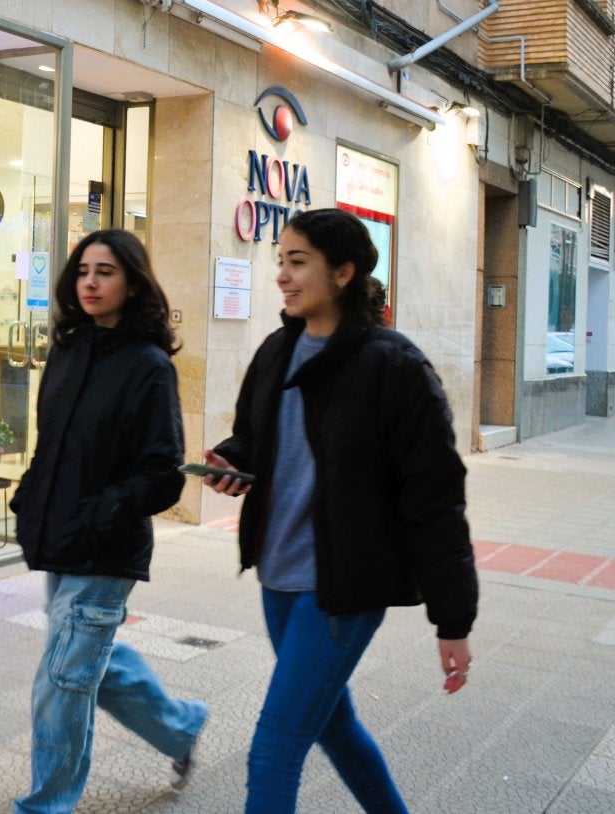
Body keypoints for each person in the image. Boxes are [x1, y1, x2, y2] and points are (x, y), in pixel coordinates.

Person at [201, 208, 478, 813]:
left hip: (343, 587)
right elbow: (252, 435)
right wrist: (232, 461)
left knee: (274, 746)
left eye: (298, 262)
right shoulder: (278, 350)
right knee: (332, 725)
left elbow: (435, 502)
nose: (282, 275)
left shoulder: (393, 366)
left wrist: (452, 619)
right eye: (281, 261)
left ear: (345, 271)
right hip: (279, 575)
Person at [11, 228, 208, 813]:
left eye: (106, 272)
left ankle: (47, 805)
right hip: (61, 534)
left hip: (105, 546)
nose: (90, 282)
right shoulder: (70, 350)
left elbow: (163, 473)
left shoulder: (149, 366)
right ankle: (179, 726)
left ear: (132, 282)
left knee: (61, 682)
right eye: (83, 271)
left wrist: (104, 511)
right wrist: (31, 497)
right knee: (89, 662)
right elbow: (53, 443)